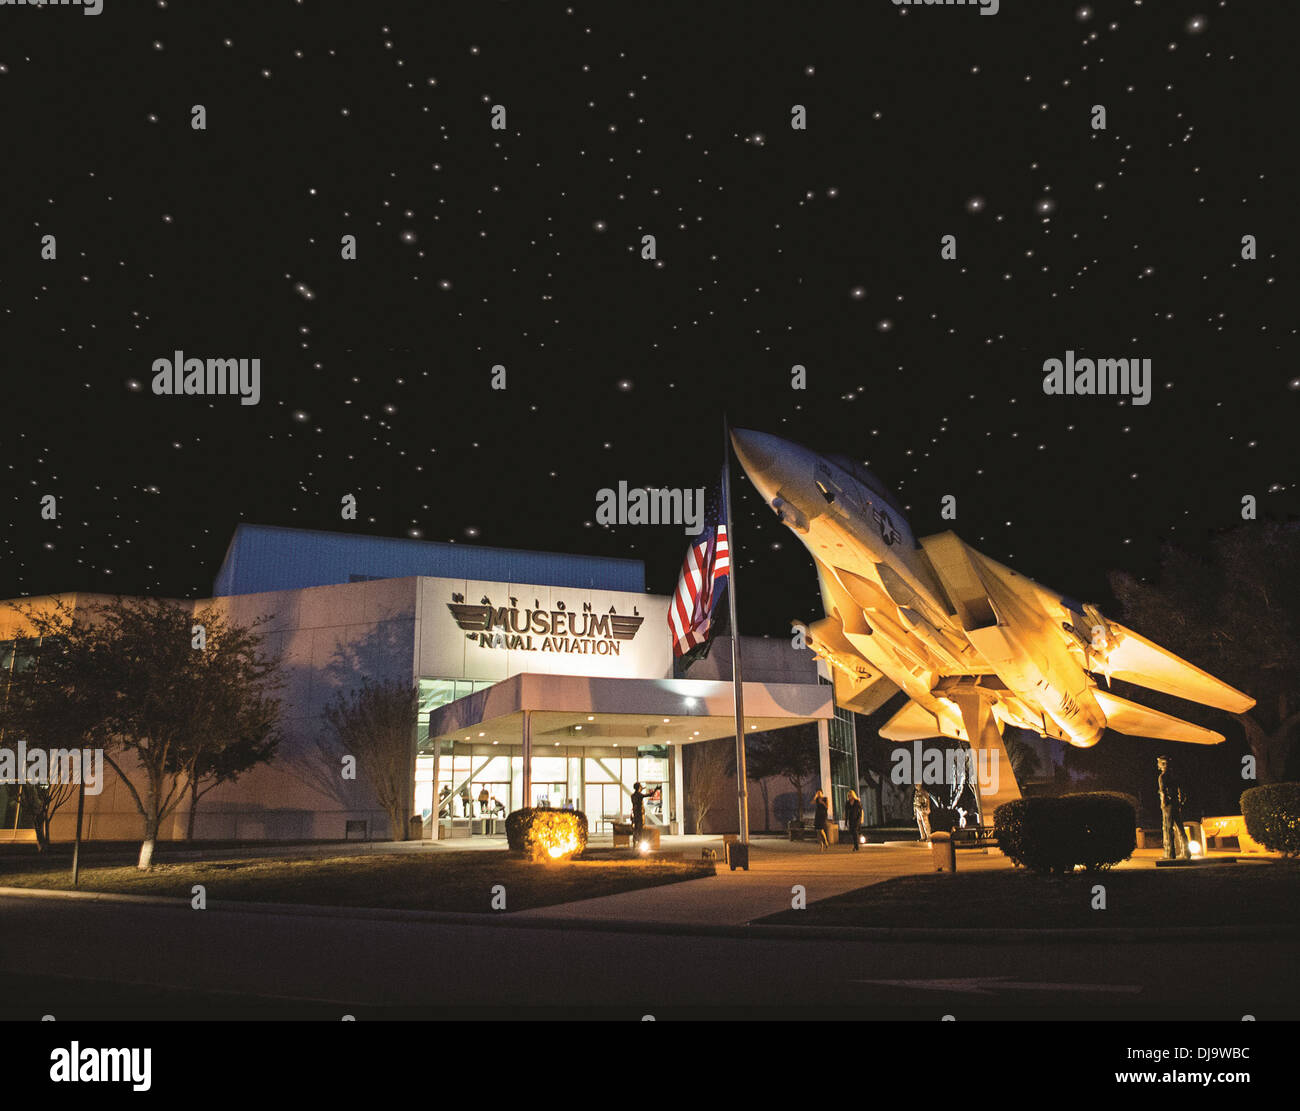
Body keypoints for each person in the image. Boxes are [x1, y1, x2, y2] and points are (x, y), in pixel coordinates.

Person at [1157, 756, 1190, 861]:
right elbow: (1182, 791)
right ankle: (1187, 853)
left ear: (1162, 764)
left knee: (1168, 828)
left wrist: (1164, 804)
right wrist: (1180, 802)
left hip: (1168, 805)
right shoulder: (1175, 776)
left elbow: (1162, 791)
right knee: (1180, 828)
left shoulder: (1162, 776)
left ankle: (1170, 854)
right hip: (1176, 803)